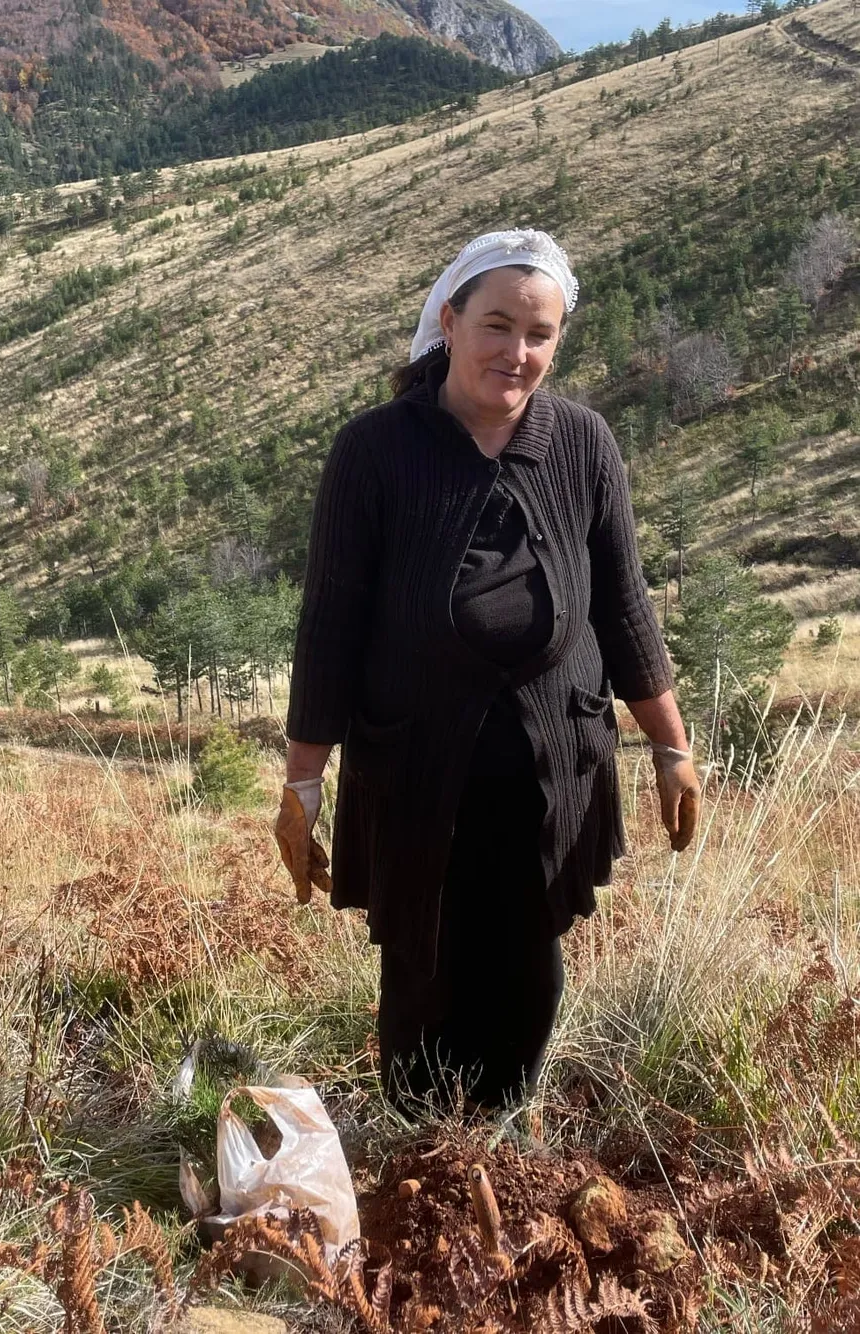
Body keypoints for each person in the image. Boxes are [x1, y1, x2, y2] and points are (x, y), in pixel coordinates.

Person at [275, 228, 701, 1114]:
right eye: (497, 326)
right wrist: (303, 783)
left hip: (552, 766)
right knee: (422, 970)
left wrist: (672, 749)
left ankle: (504, 1138)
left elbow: (624, 606)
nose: (516, 352)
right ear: (450, 321)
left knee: (529, 967)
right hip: (416, 766)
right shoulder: (376, 451)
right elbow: (330, 628)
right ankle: (420, 1143)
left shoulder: (582, 443)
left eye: (539, 334)